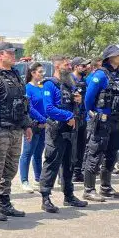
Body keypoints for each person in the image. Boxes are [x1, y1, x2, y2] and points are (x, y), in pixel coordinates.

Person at [0, 42, 33, 220]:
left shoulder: (16, 75)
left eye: (13, 53)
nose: (13, 55)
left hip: (16, 129)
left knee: (10, 168)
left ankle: (4, 202)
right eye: (10, 53)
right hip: (0, 130)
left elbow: (22, 102)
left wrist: (26, 125)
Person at [36, 56, 87, 212]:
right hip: (56, 130)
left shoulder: (69, 84)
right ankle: (45, 198)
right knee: (52, 163)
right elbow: (48, 109)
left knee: (69, 164)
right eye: (67, 64)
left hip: (70, 131)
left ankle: (69, 195)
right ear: (57, 66)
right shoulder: (50, 85)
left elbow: (76, 106)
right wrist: (68, 116)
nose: (70, 66)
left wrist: (79, 101)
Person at [81, 45, 119, 202]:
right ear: (109, 57)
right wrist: (92, 114)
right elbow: (88, 99)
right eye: (117, 55)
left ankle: (106, 187)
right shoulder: (100, 75)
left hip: (116, 120)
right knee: (95, 154)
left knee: (111, 154)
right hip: (102, 121)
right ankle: (88, 189)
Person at [19, 62, 47, 192]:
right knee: (27, 153)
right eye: (40, 72)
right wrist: (41, 119)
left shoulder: (42, 87)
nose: (42, 74)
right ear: (33, 73)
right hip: (33, 124)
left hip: (44, 125)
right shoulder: (27, 88)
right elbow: (29, 107)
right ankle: (24, 180)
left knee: (38, 154)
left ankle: (38, 179)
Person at [69, 57, 89, 182]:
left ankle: (77, 172)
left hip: (83, 117)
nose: (85, 68)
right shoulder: (70, 80)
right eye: (83, 66)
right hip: (72, 117)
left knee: (81, 145)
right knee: (72, 146)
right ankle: (68, 172)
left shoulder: (85, 81)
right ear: (76, 67)